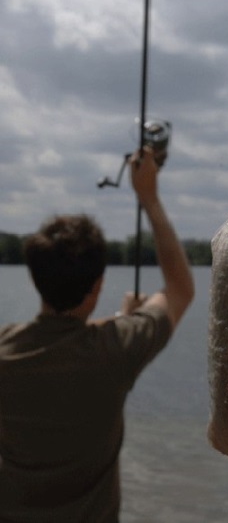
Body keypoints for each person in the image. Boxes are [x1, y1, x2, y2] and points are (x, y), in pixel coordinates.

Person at [0, 148, 194, 522]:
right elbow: (179, 289)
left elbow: (56, 342)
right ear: (97, 287)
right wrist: (149, 198)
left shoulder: (6, 352)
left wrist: (121, 319)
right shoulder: (116, 351)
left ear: (35, 279)